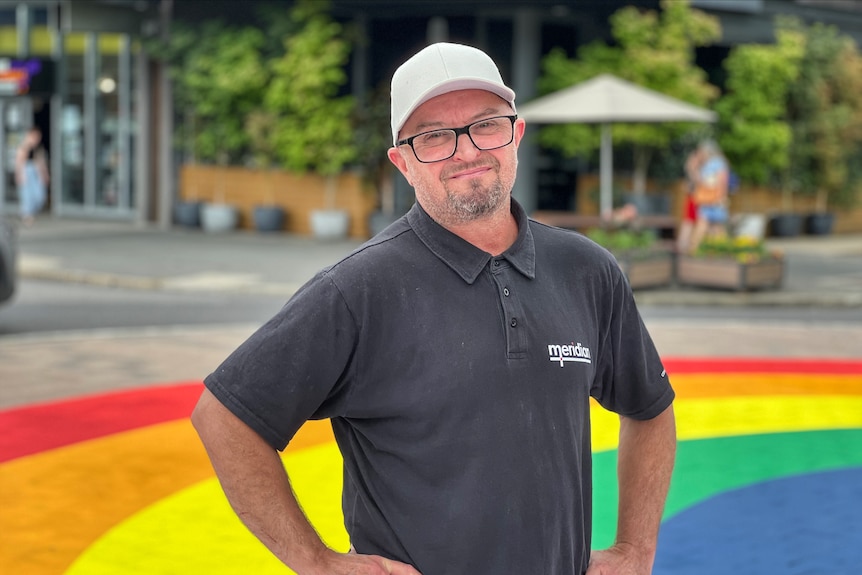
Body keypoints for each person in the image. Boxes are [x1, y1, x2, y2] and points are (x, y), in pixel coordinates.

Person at [191, 42, 676, 575]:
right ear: (402, 162)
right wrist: (317, 561)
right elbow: (224, 416)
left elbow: (650, 408)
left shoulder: (587, 270)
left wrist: (636, 550)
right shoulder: (358, 289)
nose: (466, 151)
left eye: (485, 125)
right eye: (434, 137)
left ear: (516, 134)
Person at [687, 140, 729, 253]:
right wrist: (693, 169)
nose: (700, 154)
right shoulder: (710, 163)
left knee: (713, 227)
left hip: (713, 200)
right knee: (715, 227)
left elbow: (720, 181)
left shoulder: (716, 163)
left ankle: (694, 250)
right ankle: (721, 251)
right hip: (709, 200)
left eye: (701, 151)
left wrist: (721, 197)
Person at [15, 126, 49, 225]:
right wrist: (19, 175)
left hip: (36, 172)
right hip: (27, 172)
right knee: (27, 195)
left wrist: (45, 174)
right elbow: (19, 162)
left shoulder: (39, 148)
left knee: (40, 195)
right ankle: (27, 215)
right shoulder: (24, 146)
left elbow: (41, 162)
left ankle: (30, 212)